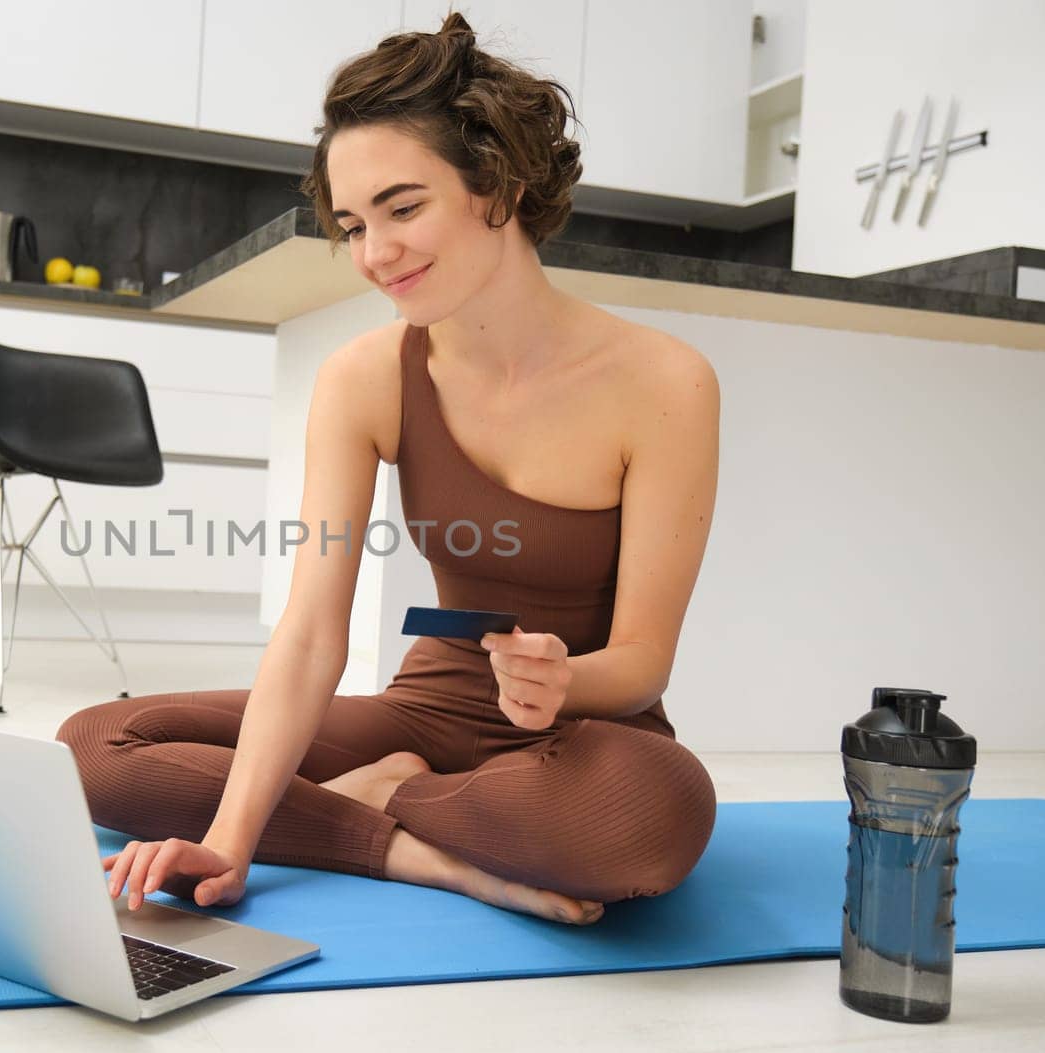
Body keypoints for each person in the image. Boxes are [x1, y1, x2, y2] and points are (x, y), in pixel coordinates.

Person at [56, 12, 719, 927]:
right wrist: (231, 841)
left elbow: (644, 662)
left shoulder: (665, 383)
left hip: (586, 734)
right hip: (429, 713)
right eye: (355, 223)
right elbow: (312, 632)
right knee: (95, 744)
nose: (375, 254)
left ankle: (389, 798)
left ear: (501, 186)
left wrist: (564, 682)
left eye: (404, 209)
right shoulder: (365, 378)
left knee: (648, 820)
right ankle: (410, 845)